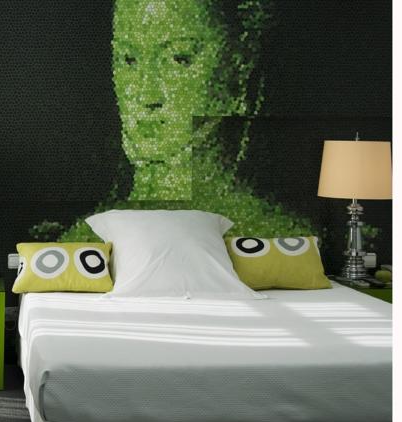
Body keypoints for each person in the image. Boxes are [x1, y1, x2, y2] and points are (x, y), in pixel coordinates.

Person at [36, 0, 321, 242]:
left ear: (239, 63)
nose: (147, 95)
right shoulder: (82, 237)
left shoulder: (278, 233)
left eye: (178, 59)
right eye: (128, 59)